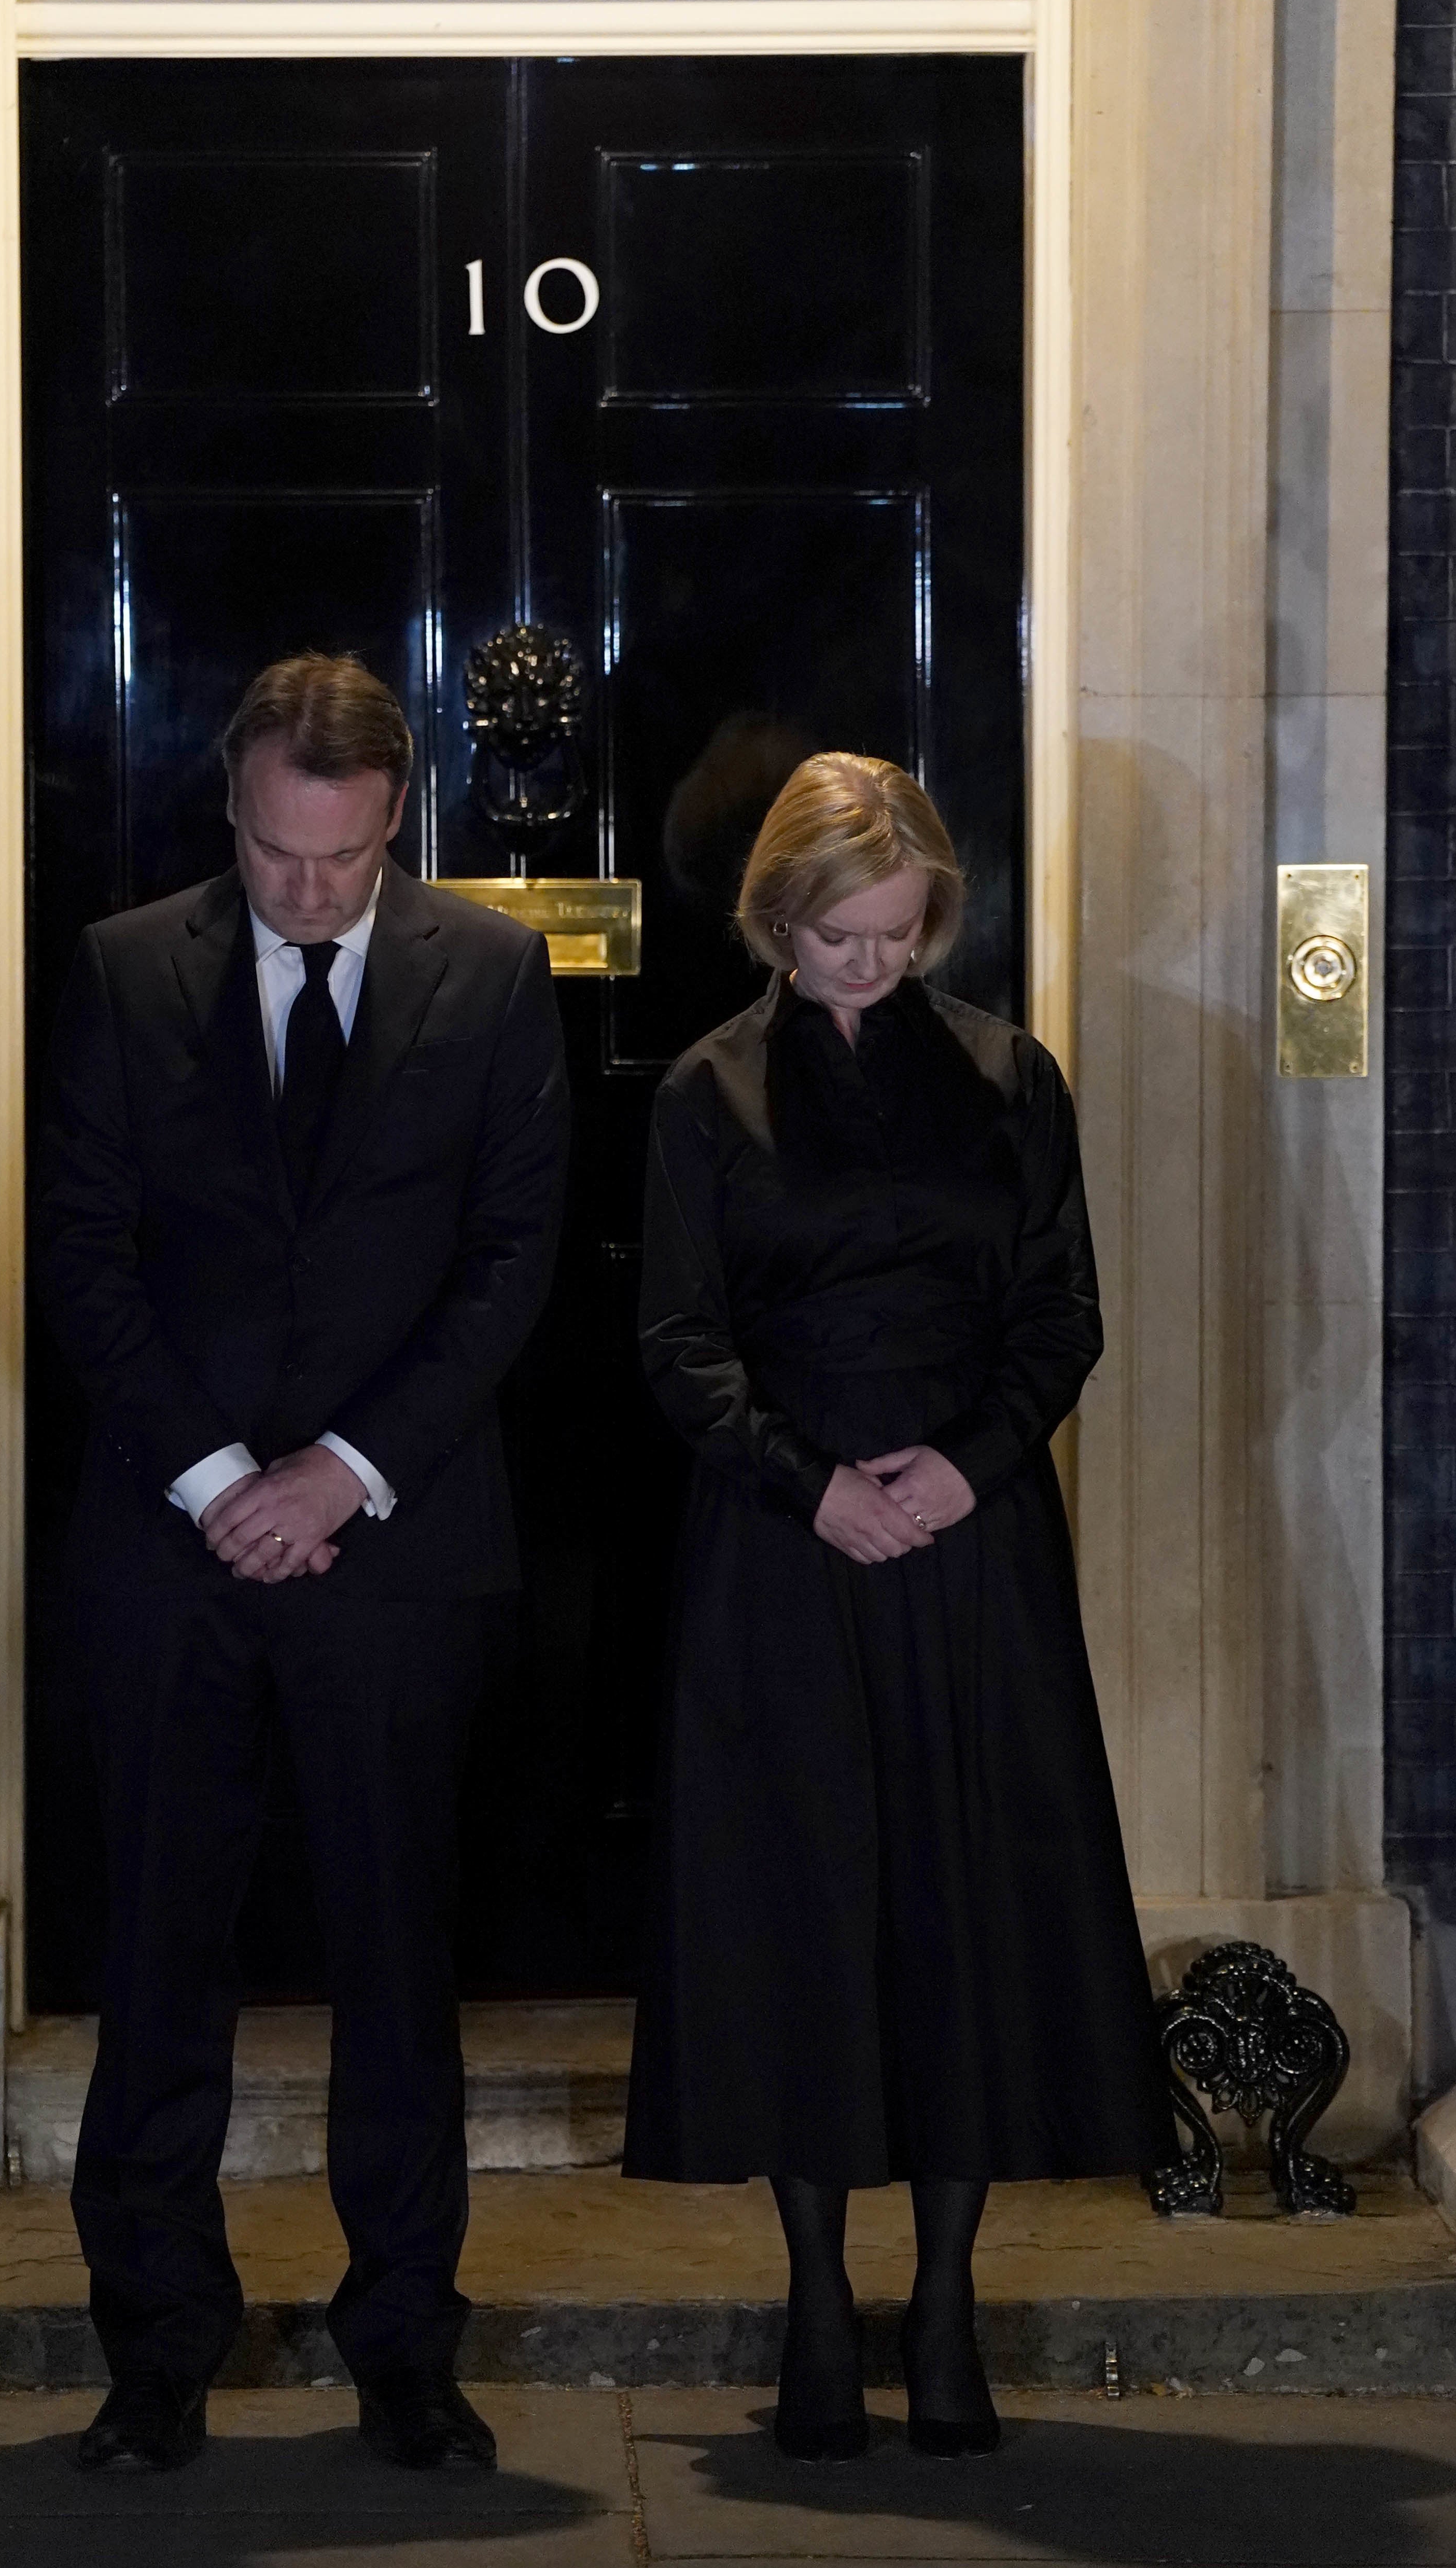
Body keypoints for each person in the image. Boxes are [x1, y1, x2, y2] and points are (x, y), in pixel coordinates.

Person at [35, 653, 570, 2476]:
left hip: (396, 1555)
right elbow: (82, 1256)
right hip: (170, 1555)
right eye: (279, 857)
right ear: (237, 818)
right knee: (161, 1959)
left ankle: (404, 2348)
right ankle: (155, 2354)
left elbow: (513, 1260)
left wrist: (341, 1474)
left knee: (395, 1963)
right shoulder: (122, 969)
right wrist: (214, 1483)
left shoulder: (494, 974)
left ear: (396, 820)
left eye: (343, 860)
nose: (311, 892)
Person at [624, 752, 1174, 2462]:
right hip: (783, 1553)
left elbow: (1059, 1312)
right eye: (833, 938)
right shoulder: (706, 1094)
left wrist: (965, 1467)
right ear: (774, 920)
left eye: (895, 932)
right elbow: (677, 1341)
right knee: (800, 1905)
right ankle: (812, 2301)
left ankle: (941, 2305)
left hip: (971, 1542)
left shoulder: (1015, 1078)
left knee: (964, 1911)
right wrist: (813, 1483)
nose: (867, 965)